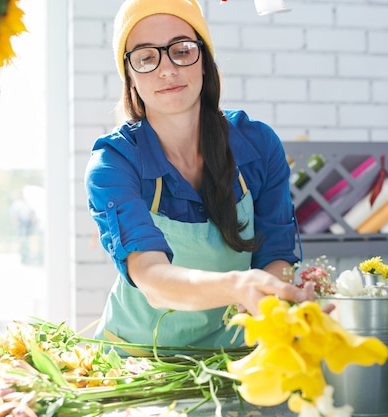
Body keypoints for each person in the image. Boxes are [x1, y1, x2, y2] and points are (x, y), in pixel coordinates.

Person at [84, 0, 316, 353]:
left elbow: (276, 255)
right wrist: (237, 285)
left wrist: (277, 304)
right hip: (136, 362)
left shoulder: (257, 145)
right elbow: (153, 278)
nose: (167, 69)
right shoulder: (114, 163)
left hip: (235, 359)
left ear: (204, 61)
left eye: (181, 50)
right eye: (147, 57)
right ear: (130, 75)